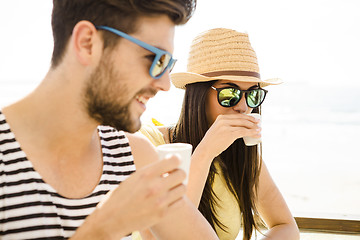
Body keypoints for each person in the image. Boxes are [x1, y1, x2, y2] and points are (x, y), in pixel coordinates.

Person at [0, 1, 220, 239]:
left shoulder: (134, 158)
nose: (165, 84)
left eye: (168, 64)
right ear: (87, 43)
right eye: (154, 59)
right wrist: (102, 229)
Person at [138, 28, 300, 240]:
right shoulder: (150, 144)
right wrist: (205, 153)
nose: (243, 107)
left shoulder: (243, 156)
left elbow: (286, 226)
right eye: (229, 93)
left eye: (252, 95)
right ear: (198, 94)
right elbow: (164, 235)